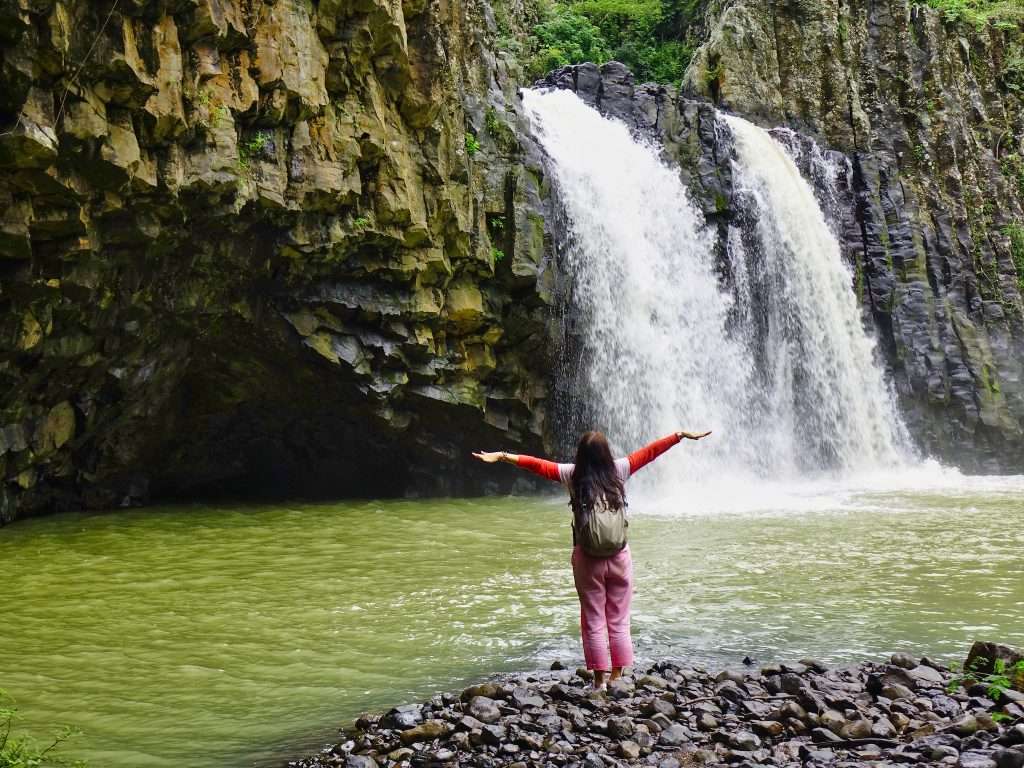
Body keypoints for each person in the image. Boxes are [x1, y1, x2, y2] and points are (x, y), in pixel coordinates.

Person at [472, 429, 711, 690]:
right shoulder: (620, 470)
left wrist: (503, 456)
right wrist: (678, 436)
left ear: (582, 456)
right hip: (619, 556)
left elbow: (537, 465)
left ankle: (599, 681)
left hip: (587, 559)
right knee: (619, 618)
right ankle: (617, 677)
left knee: (594, 618)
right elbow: (650, 453)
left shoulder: (573, 475)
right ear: (606, 453)